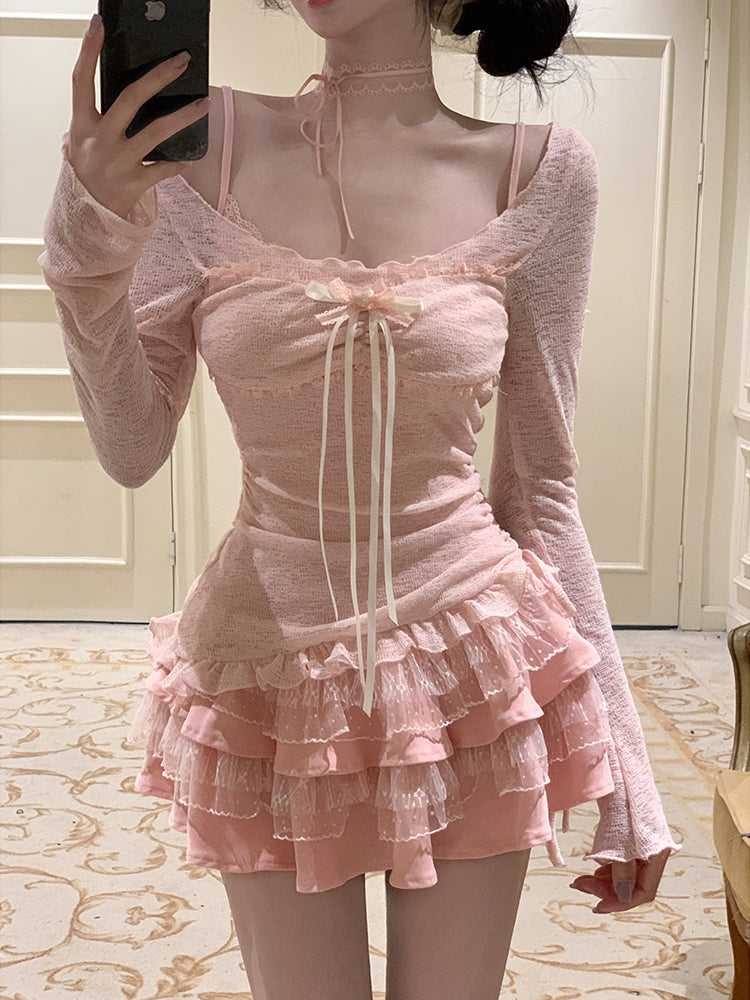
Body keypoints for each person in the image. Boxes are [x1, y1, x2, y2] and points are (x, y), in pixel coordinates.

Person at [39, 0, 681, 997]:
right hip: (267, 671)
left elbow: (540, 486)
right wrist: (86, 255)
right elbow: (132, 448)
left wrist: (629, 770)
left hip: (474, 669)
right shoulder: (195, 151)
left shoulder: (542, 173)